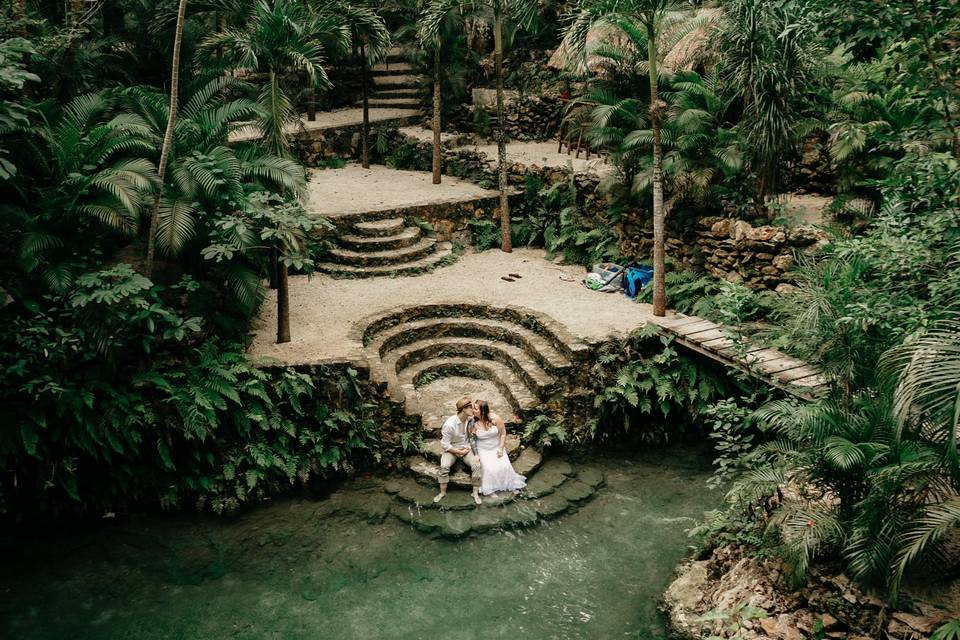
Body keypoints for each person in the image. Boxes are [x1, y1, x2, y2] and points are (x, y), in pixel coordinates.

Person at [434, 397, 482, 505]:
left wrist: (468, 448)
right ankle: (442, 492)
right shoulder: (449, 425)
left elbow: (473, 434)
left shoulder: (470, 419)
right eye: (470, 408)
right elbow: (445, 444)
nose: (473, 410)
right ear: (463, 409)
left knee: (477, 465)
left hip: (466, 448)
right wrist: (458, 452)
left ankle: (475, 493)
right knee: (444, 466)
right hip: (452, 449)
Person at [472, 400, 526, 496]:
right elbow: (471, 439)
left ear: (483, 411)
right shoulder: (472, 421)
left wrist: (501, 448)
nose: (473, 410)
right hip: (483, 448)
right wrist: (475, 454)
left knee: (504, 466)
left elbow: (503, 434)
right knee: (489, 469)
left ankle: (511, 484)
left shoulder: (495, 418)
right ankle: (490, 489)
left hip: (496, 446)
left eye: (475, 408)